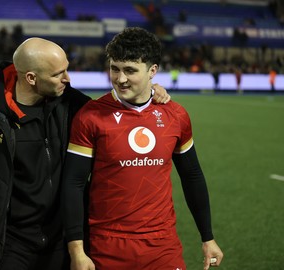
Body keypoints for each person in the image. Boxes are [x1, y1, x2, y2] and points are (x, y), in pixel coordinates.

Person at [0, 37, 171, 270]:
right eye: (57, 74)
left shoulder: (72, 104)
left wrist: (148, 93)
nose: (67, 78)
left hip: (63, 244)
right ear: (31, 77)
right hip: (5, 247)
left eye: (66, 69)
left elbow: (113, 116)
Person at [61, 27, 224, 270]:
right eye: (114, 68)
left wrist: (207, 236)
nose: (120, 78)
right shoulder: (91, 116)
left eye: (130, 70)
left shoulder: (175, 115)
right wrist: (76, 249)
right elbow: (73, 183)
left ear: (153, 71)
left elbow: (192, 176)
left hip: (163, 245)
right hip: (107, 244)